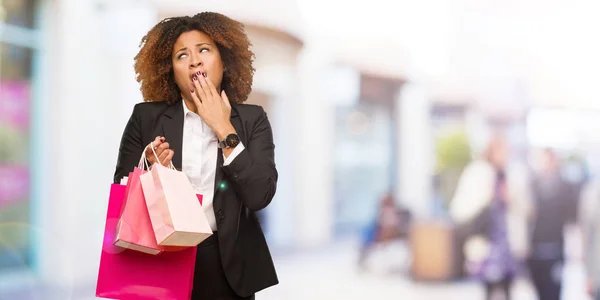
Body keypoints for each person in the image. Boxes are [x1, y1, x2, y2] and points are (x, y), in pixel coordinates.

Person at [113, 12, 278, 300]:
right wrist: (151, 169)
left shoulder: (253, 120)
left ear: (224, 61)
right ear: (171, 71)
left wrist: (223, 127)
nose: (195, 61)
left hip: (227, 269)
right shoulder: (145, 117)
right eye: (182, 55)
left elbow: (260, 195)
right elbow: (121, 189)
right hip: (160, 258)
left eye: (204, 50)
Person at [450, 136, 531, 300]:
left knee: (508, 287)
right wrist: (487, 195)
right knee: (488, 287)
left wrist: (511, 197)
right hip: (486, 240)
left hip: (508, 242)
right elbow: (460, 207)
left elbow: (528, 209)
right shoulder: (478, 173)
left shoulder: (513, 174)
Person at [528, 149, 579, 300]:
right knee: (540, 291)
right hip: (535, 250)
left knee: (554, 292)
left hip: (556, 248)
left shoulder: (565, 187)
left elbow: (572, 219)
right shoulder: (532, 186)